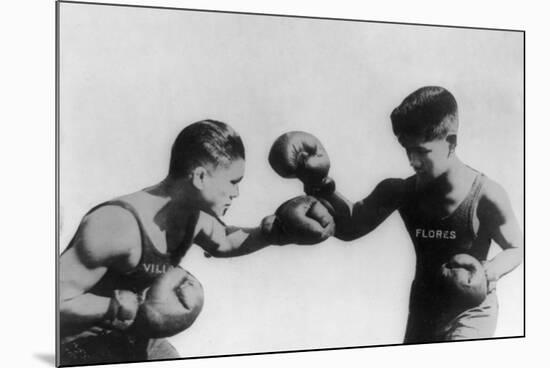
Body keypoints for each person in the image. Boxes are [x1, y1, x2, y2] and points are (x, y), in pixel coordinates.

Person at [59, 119, 335, 365]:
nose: (236, 193)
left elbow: (224, 240)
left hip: (137, 336)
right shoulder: (115, 226)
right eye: (232, 182)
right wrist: (119, 307)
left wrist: (275, 234)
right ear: (200, 177)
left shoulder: (196, 216)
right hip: (77, 346)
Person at [267, 86, 523, 343]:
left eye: (422, 151)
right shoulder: (400, 191)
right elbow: (351, 227)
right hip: (425, 308)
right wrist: (318, 182)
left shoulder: (486, 194)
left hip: (471, 313)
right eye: (407, 150)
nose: (413, 161)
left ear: (451, 142)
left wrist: (490, 271)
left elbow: (518, 248)